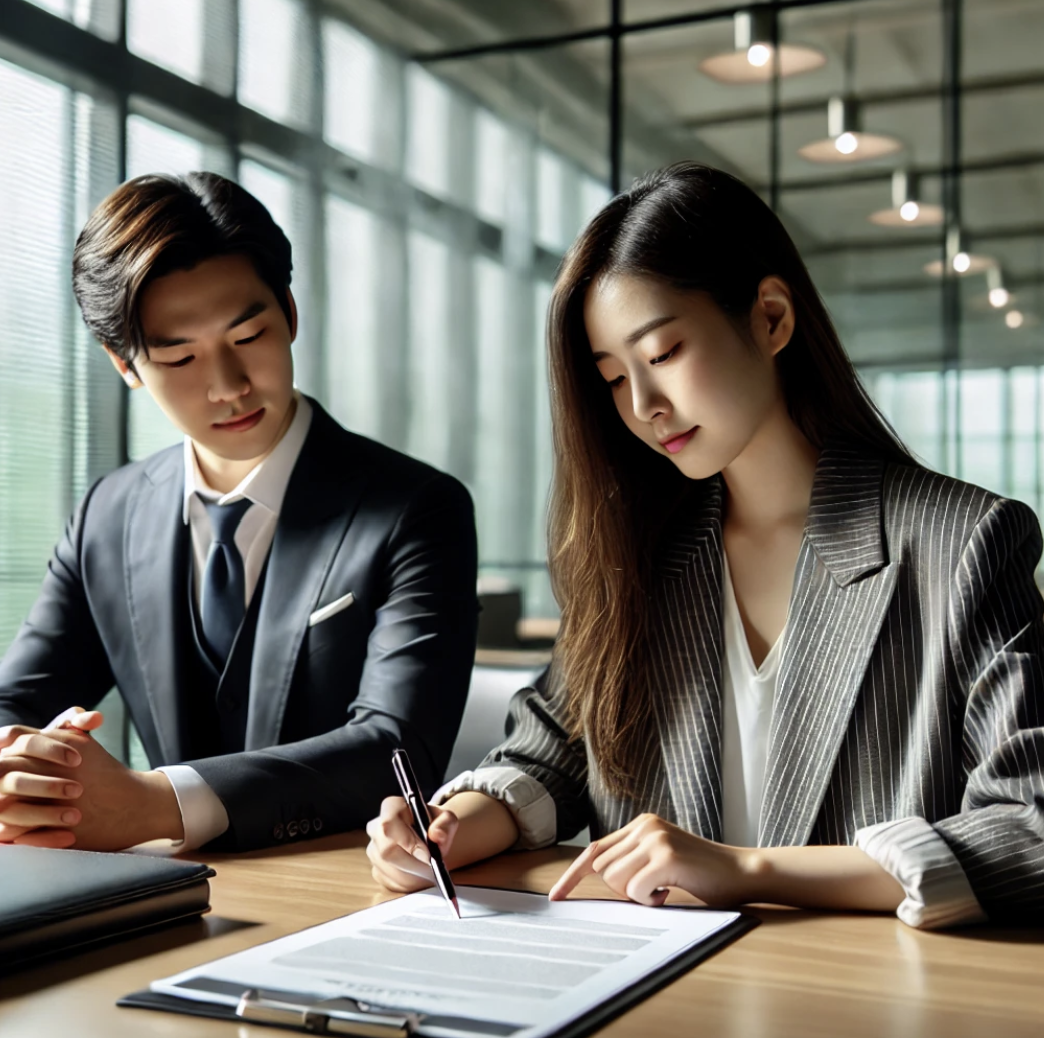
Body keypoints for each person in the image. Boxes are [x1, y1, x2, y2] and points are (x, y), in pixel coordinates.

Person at [366, 162, 1044, 929]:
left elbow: (1030, 826)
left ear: (771, 318)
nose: (645, 406)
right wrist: (449, 831)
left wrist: (745, 870)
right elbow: (544, 757)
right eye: (614, 378)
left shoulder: (963, 545)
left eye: (661, 355)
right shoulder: (643, 556)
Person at [0, 172, 478, 853]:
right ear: (124, 364)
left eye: (248, 335)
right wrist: (24, 766)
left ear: (288, 311)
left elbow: (396, 751)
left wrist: (154, 803)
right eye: (181, 357)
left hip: (341, 885)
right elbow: (13, 702)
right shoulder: (108, 514)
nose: (227, 386)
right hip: (156, 895)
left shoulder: (414, 509)